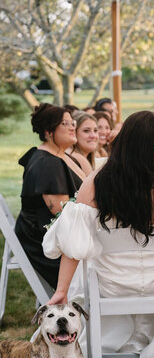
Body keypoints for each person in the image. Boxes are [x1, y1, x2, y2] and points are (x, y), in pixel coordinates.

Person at [43, 111, 154, 358]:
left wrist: (62, 290)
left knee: (90, 268)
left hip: (110, 284)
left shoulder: (96, 182)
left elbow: (73, 244)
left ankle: (112, 346)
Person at [15, 103, 86, 290]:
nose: (73, 127)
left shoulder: (60, 155)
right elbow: (61, 216)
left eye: (73, 123)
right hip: (45, 241)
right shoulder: (47, 163)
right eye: (66, 123)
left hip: (60, 233)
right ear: (48, 131)